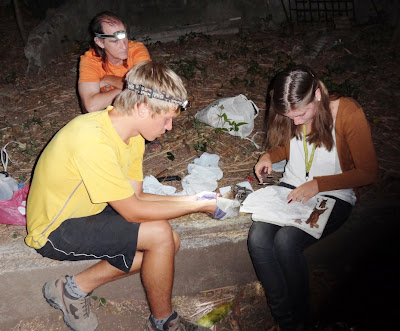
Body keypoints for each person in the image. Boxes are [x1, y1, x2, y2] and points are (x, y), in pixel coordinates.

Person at [26, 61, 240, 331]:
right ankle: (165, 323)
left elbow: (137, 196)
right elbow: (132, 211)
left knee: (168, 243)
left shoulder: (132, 135)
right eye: (166, 119)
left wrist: (202, 198)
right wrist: (198, 205)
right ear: (142, 108)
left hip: (88, 210)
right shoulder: (93, 140)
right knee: (160, 235)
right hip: (54, 229)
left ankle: (72, 289)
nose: (170, 127)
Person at [247, 65, 378, 331]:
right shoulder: (296, 114)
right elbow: (289, 144)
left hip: (333, 194)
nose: (296, 122)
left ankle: (305, 319)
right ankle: (286, 320)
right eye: (289, 116)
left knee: (286, 242)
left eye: (302, 114)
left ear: (317, 95)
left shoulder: (347, 113)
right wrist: (268, 156)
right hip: (292, 188)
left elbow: (368, 172)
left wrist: (318, 185)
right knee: (258, 239)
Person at [78, 11, 160, 153]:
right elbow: (91, 106)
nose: (124, 46)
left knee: (150, 92)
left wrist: (108, 80)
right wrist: (129, 87)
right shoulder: (90, 60)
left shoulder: (137, 50)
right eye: (115, 41)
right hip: (108, 109)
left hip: (132, 103)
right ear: (100, 42)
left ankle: (145, 135)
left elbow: (146, 86)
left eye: (124, 38)